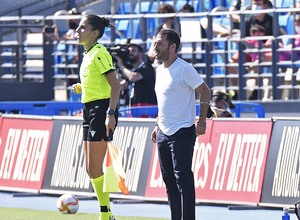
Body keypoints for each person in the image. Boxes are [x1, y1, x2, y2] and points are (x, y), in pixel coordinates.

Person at [151, 28, 211, 220]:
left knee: (182, 178)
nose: (155, 46)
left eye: (160, 43)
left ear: (172, 46)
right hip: (163, 132)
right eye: (156, 43)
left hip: (182, 131)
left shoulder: (184, 68)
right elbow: (164, 101)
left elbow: (205, 91)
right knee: (168, 180)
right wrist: (157, 124)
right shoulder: (159, 70)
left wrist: (201, 121)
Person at [72, 14, 120, 220]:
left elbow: (115, 86)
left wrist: (110, 114)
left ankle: (105, 214)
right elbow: (97, 82)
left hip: (101, 110)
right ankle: (107, 213)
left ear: (95, 33)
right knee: (90, 168)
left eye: (83, 28)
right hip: (89, 108)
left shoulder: (100, 52)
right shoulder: (88, 54)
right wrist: (82, 88)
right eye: (78, 27)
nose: (77, 30)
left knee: (94, 167)